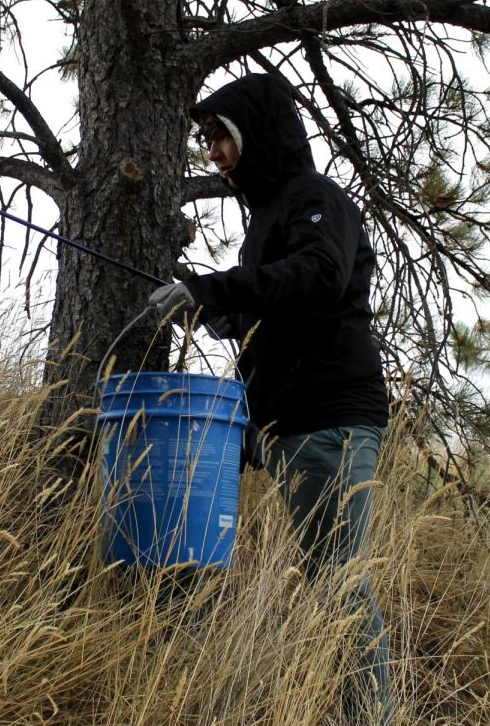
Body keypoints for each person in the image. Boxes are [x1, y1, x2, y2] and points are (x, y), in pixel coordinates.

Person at [148, 73, 394, 725]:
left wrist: (220, 291)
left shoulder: (315, 198)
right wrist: (204, 302)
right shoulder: (266, 220)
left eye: (219, 138)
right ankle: (177, 678)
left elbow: (318, 276)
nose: (212, 154)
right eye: (205, 142)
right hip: (271, 418)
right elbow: (265, 306)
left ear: (256, 133)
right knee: (180, 531)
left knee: (336, 579)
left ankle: (368, 718)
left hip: (328, 417)